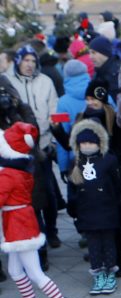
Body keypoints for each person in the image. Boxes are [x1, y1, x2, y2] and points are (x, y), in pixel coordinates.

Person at [2, 123, 81, 298]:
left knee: (35, 273)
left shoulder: (9, 174)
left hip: (20, 227)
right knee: (15, 270)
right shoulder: (20, 168)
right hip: (19, 224)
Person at [5, 46, 60, 249]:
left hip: (42, 144)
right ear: (18, 61)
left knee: (48, 191)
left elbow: (53, 107)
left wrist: (52, 126)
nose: (29, 65)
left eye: (32, 61)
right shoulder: (8, 81)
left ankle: (52, 230)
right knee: (29, 195)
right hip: (18, 147)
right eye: (25, 60)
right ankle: (39, 234)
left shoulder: (45, 81)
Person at [68, 120, 121, 295]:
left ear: (99, 143)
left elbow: (117, 185)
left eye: (91, 142)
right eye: (83, 143)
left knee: (108, 244)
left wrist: (117, 205)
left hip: (107, 211)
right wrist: (73, 209)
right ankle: (97, 273)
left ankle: (110, 272)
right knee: (93, 246)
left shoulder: (109, 160)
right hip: (87, 213)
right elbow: (72, 189)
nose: (87, 146)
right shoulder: (76, 163)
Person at [88, 36, 121, 100]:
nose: (90, 56)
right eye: (89, 53)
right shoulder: (98, 72)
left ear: (104, 53)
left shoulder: (118, 71)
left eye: (93, 53)